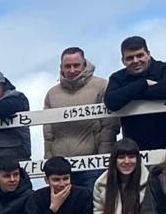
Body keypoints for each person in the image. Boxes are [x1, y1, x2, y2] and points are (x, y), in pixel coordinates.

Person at [43, 48, 115, 183]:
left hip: (92, 166)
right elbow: (48, 134)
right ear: (61, 67)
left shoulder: (101, 86)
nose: (72, 70)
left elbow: (109, 127)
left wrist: (102, 159)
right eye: (67, 66)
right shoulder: (51, 94)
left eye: (76, 65)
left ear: (84, 64)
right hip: (60, 169)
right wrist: (49, 163)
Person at [105, 37, 166, 151]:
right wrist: (143, 83)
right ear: (123, 61)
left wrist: (128, 94)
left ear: (148, 54)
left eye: (140, 55)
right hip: (135, 150)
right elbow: (111, 102)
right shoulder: (117, 78)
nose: (135, 61)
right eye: (130, 58)